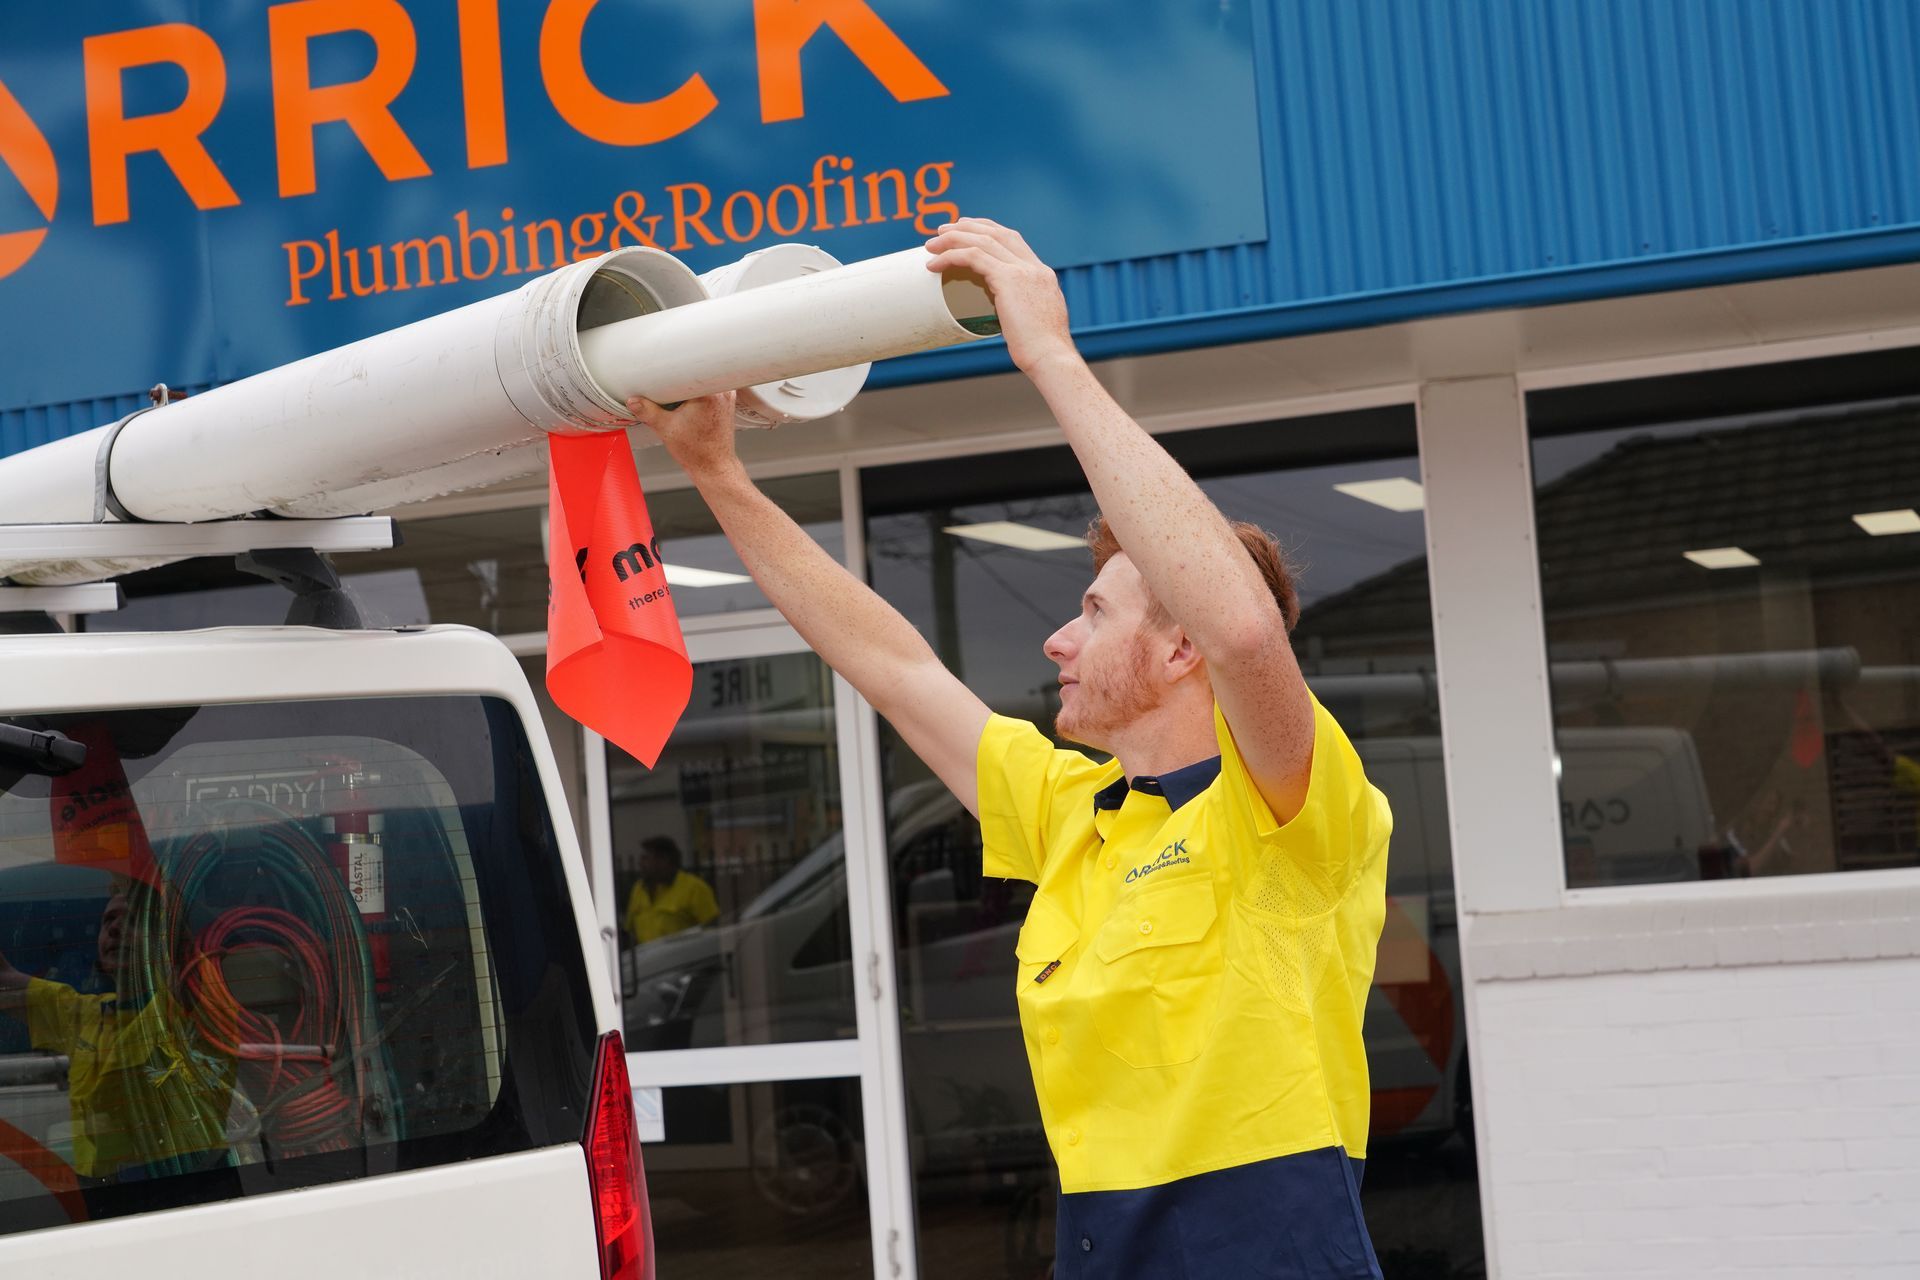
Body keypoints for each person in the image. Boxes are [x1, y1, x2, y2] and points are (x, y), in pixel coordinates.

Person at [629, 218, 1392, 1278]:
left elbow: (1248, 631)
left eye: (1091, 609)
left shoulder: (1291, 809)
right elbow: (891, 665)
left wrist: (1049, 355)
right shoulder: (1071, 809)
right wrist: (718, 473)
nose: (1057, 638)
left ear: (1181, 648)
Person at [0, 885, 233, 1182]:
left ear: (164, 941)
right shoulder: (83, 1012)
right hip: (96, 1195)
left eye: (134, 920)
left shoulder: (191, 1008)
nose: (116, 929)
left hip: (189, 1186)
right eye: (109, 920)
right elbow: (3, 982)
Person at [623, 836, 721, 945]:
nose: (640, 864)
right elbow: (630, 931)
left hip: (681, 960)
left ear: (664, 860)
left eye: (645, 858)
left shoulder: (694, 888)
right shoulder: (639, 889)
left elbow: (712, 931)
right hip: (646, 959)